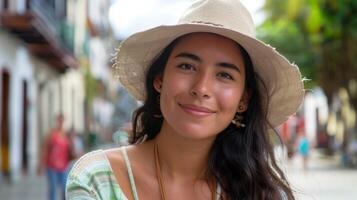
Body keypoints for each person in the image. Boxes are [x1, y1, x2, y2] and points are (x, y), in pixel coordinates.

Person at [66, 0, 304, 199]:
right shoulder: (97, 178)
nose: (201, 88)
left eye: (224, 75)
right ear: (159, 79)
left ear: (243, 99)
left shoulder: (260, 194)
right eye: (187, 66)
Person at [39, 114, 71, 200]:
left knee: (65, 188)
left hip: (64, 166)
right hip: (52, 166)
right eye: (59, 120)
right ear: (57, 121)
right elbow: (45, 148)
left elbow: (70, 149)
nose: (60, 123)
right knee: (53, 189)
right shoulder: (51, 134)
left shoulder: (66, 134)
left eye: (62, 120)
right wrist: (41, 164)